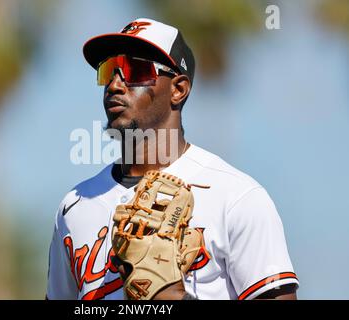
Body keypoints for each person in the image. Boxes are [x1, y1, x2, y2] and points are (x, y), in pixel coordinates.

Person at [46, 18, 298, 300]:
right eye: (108, 71)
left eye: (135, 70)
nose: (115, 85)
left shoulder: (237, 197)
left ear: (178, 89)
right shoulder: (75, 206)